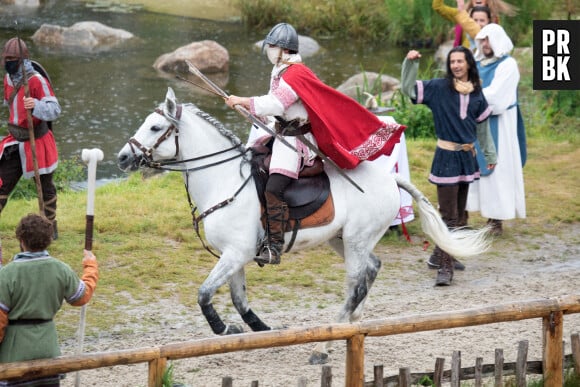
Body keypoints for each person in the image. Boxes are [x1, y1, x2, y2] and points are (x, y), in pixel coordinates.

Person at [227, 23, 405, 265]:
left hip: (295, 141)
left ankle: (274, 245)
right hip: (282, 136)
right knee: (252, 163)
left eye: (272, 46)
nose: (269, 50)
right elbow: (279, 112)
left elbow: (278, 104)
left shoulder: (294, 73)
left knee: (274, 188)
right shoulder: (282, 70)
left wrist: (245, 100)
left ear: (283, 50)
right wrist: (254, 112)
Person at [400, 46, 496, 286]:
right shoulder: (439, 88)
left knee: (461, 214)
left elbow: (483, 127)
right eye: (452, 62)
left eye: (460, 61)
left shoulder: (476, 92)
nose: (455, 65)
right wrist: (410, 64)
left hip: (467, 158)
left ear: (469, 64)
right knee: (449, 216)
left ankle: (440, 255)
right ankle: (445, 267)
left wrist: (490, 154)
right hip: (446, 158)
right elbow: (408, 89)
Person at [0, 213, 99, 386]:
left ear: (21, 240)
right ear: (49, 239)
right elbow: (81, 296)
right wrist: (90, 266)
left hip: (14, 354)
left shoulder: (7, 274)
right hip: (48, 349)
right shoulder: (61, 269)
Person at [466, 23, 526, 235]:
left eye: (488, 39)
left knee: (497, 170)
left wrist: (470, 93)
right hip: (475, 123)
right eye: (482, 40)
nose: (485, 44)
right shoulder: (477, 63)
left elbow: (497, 98)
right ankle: (463, 214)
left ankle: (495, 219)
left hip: (499, 125)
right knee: (471, 163)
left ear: (498, 40)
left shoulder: (508, 65)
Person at [0, 38, 61, 239]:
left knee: (45, 188)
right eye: (5, 58)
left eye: (12, 59)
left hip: (37, 141)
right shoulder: (8, 79)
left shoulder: (36, 80)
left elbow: (54, 110)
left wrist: (35, 104)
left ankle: (50, 227)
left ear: (23, 59)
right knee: (2, 182)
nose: (8, 62)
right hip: (15, 140)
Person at [432, 0, 517, 49]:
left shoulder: (492, 18)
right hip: (464, 59)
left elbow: (480, 34)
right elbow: (438, 7)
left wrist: (461, 12)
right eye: (475, 20)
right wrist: (461, 12)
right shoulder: (461, 14)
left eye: (481, 20)